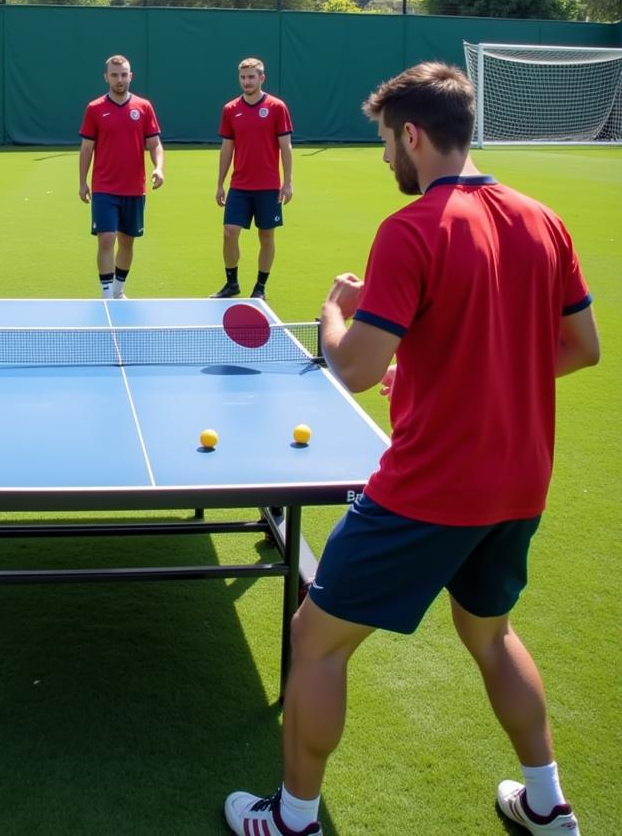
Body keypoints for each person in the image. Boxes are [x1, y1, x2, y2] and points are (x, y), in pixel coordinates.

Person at [224, 62, 600, 836]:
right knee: (490, 634)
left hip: (430, 489)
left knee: (315, 641)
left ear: (415, 134)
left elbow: (353, 370)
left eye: (387, 141)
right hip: (519, 484)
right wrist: (452, 375)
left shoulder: (412, 229)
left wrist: (334, 311)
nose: (385, 156)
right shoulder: (541, 217)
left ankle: (292, 818)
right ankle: (547, 803)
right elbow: (579, 346)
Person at [79, 54, 164, 299]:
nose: (119, 79)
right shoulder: (95, 109)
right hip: (104, 188)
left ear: (130, 76)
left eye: (123, 74)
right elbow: (87, 149)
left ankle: (118, 291)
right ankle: (106, 296)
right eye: (114, 75)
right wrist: (82, 182)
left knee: (127, 243)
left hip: (135, 189)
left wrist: (159, 167)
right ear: (106, 77)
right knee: (106, 239)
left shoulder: (144, 107)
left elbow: (155, 144)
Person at [211, 57, 294, 300]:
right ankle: (231, 283)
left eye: (251, 77)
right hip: (240, 186)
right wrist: (220, 183)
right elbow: (227, 148)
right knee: (229, 232)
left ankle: (260, 287)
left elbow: (286, 147)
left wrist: (287, 182)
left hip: (268, 187)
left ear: (261, 78)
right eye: (243, 77)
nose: (247, 82)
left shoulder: (277, 107)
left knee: (266, 235)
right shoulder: (230, 110)